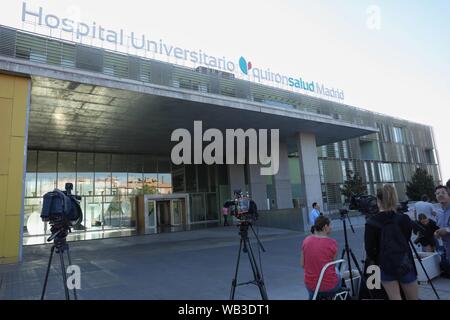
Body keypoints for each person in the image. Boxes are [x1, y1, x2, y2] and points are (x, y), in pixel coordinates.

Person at [364, 184, 418, 300]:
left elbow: (369, 249)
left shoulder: (371, 222)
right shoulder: (404, 219)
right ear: (395, 199)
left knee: (394, 297)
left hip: (385, 264)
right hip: (405, 262)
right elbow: (406, 239)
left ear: (378, 200)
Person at [300, 216, 341, 299]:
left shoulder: (306, 241)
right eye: (330, 225)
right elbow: (333, 264)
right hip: (329, 286)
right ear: (325, 227)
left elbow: (302, 264)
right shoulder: (332, 243)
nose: (331, 227)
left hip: (310, 285)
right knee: (337, 271)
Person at [434, 185, 450, 261]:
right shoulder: (438, 212)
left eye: (443, 193)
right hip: (447, 250)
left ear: (448, 194)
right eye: (437, 193)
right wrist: (437, 233)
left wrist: (447, 230)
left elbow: (446, 229)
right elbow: (439, 227)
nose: (440, 195)